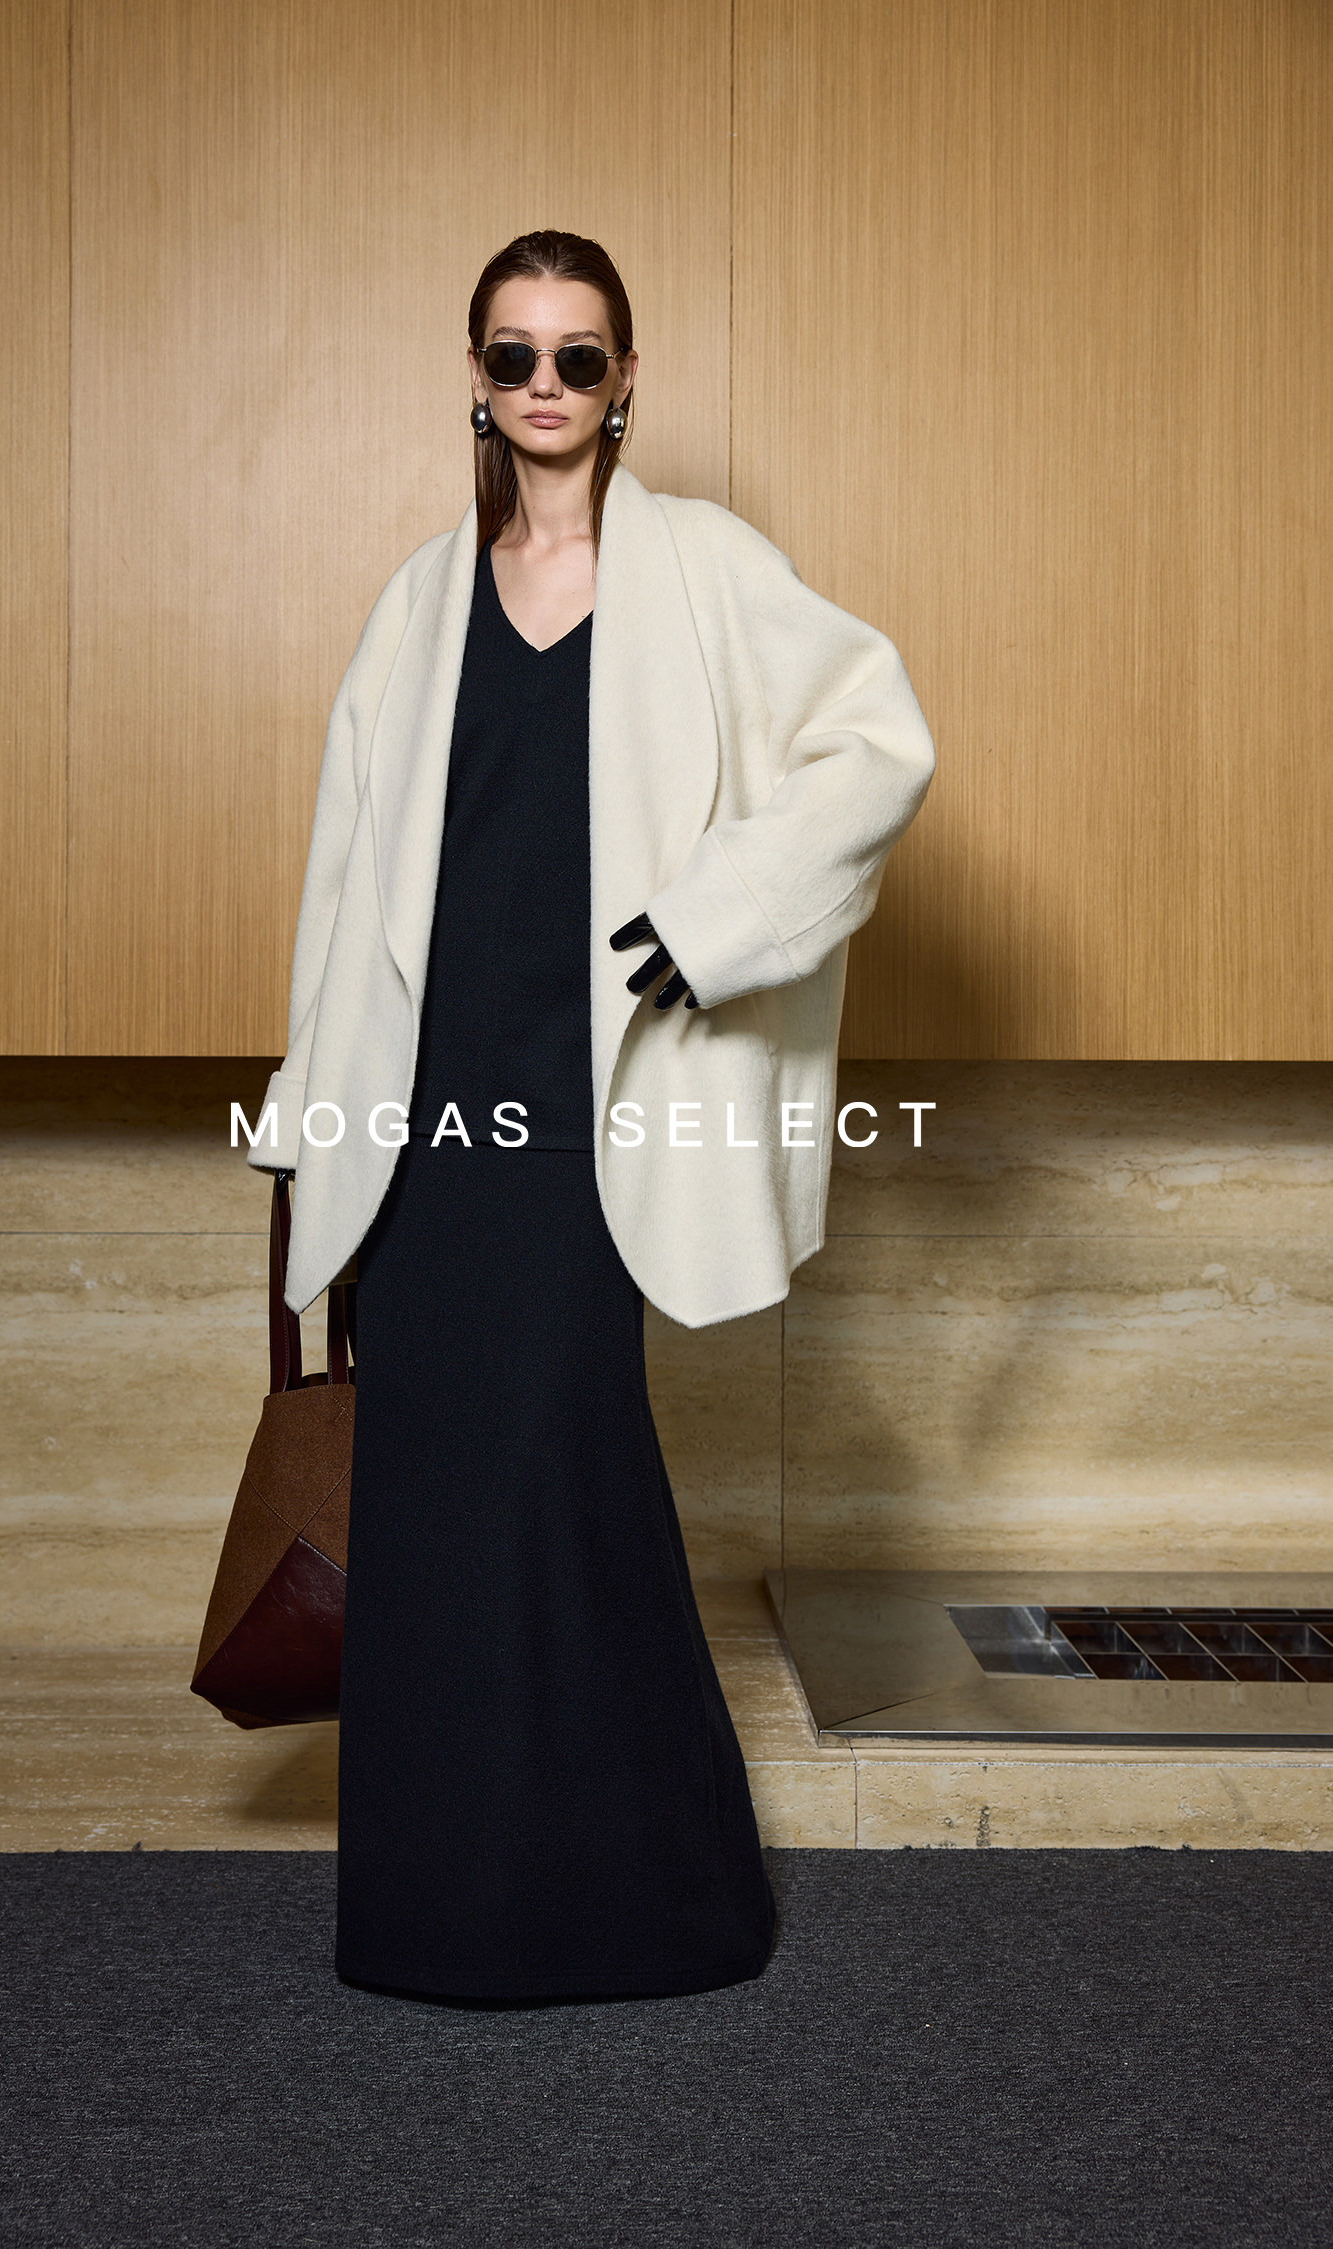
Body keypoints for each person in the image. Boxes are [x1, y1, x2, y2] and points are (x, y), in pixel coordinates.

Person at [246, 230, 935, 2001]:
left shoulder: (702, 566)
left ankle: (661, 1903)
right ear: (475, 380)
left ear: (627, 379)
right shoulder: (420, 600)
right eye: (513, 355)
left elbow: (876, 744)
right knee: (429, 1504)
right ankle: (436, 1917)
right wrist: (308, 1112)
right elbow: (345, 884)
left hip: (590, 1115)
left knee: (566, 1480)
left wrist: (719, 922)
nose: (544, 385)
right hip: (425, 1123)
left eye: (576, 355)